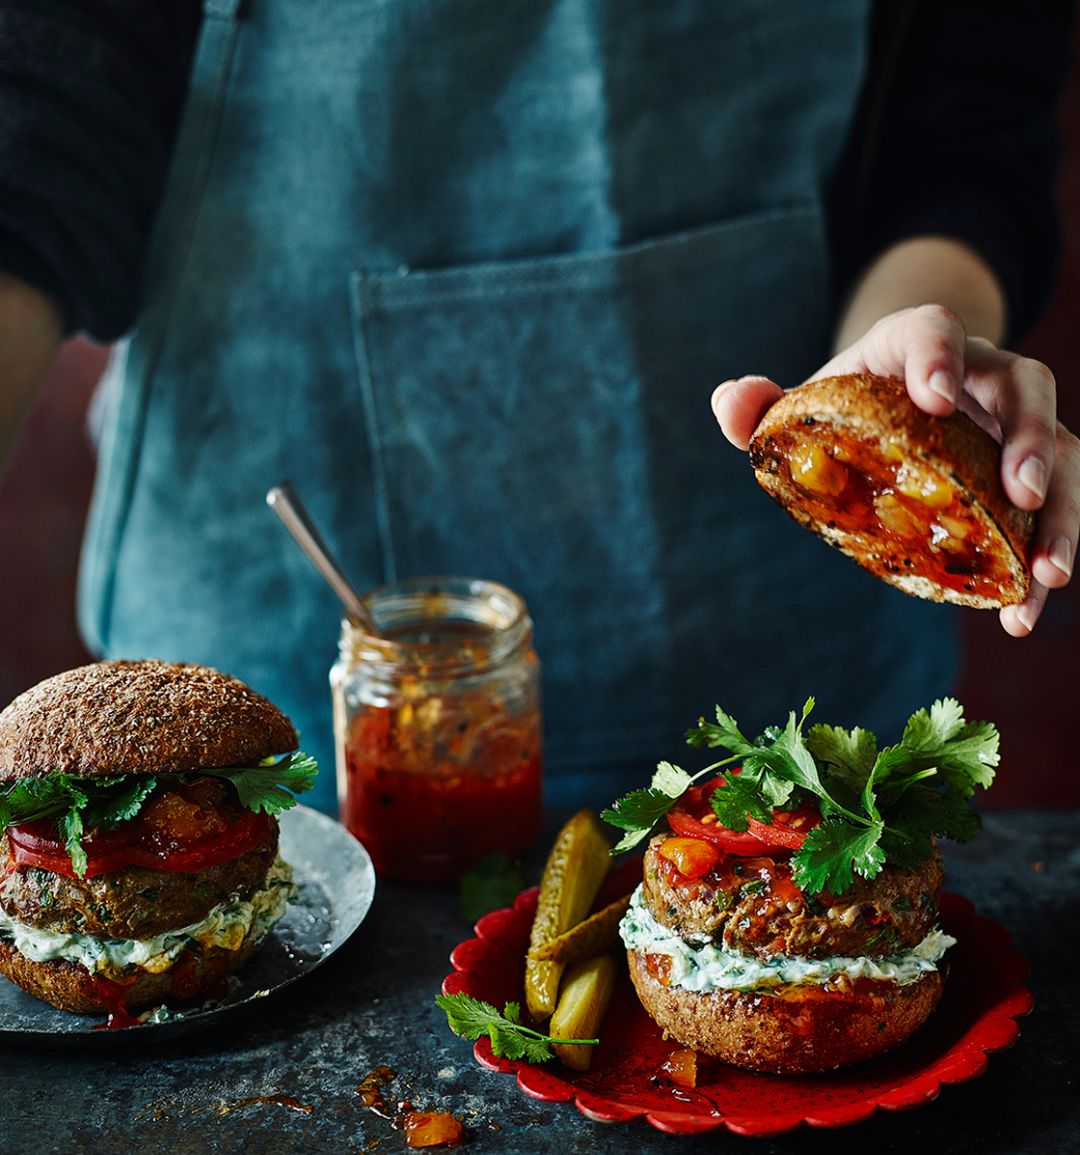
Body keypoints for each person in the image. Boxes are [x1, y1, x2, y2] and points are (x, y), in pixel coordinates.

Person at [0, 1, 1077, 815]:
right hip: (282, 667)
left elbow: (962, 121)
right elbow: (38, 134)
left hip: (787, 669)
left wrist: (904, 395)